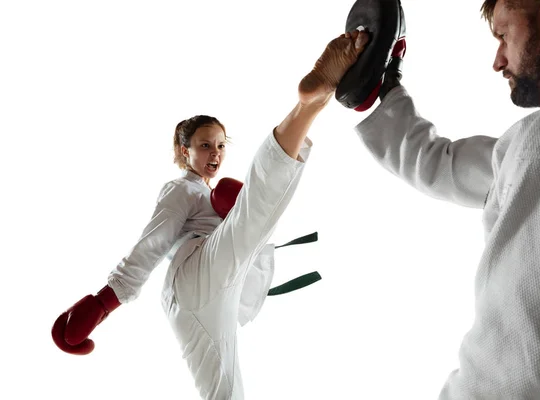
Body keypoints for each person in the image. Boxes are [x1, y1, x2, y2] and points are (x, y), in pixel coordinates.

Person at [52, 30, 369, 399]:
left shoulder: (208, 194)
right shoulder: (182, 189)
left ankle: (313, 103)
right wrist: (103, 302)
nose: (215, 153)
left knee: (226, 394)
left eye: (220, 145)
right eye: (204, 145)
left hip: (210, 297)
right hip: (198, 275)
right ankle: (310, 104)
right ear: (184, 151)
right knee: (255, 210)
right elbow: (152, 244)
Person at [351, 0, 540, 398]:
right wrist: (383, 88)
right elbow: (450, 167)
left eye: (504, 35)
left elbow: (508, 355)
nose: (498, 61)